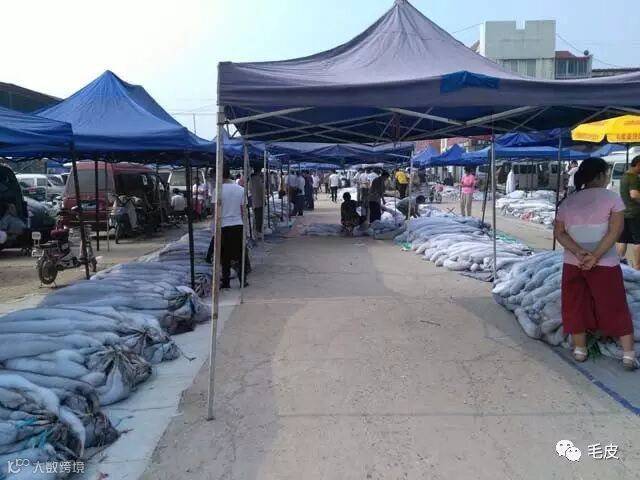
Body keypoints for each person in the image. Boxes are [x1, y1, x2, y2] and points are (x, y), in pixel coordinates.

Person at [554, 157, 636, 370]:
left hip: (574, 263)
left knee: (575, 303)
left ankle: (580, 350)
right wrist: (596, 256)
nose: (608, 177)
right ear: (600, 175)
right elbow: (615, 231)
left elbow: (559, 233)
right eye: (607, 174)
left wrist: (579, 252)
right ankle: (628, 355)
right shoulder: (612, 198)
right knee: (614, 304)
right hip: (605, 263)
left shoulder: (568, 201)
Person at [205, 164, 249, 289]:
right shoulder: (240, 189)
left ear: (219, 174)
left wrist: (214, 228)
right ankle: (243, 280)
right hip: (238, 224)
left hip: (223, 225)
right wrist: (245, 227)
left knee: (224, 256)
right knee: (240, 254)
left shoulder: (217, 191)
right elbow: (243, 211)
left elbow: (215, 212)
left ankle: (226, 282)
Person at [617, 156, 640, 269]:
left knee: (623, 239)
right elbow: (634, 194)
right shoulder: (633, 177)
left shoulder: (624, 176)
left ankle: (620, 263)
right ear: (638, 165)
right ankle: (638, 267)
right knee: (638, 241)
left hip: (624, 212)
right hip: (635, 213)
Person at [248, 166, 265, 238]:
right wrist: (264, 201)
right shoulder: (258, 179)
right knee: (259, 217)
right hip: (259, 201)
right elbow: (261, 191)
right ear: (259, 171)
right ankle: (258, 232)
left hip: (253, 200)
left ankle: (255, 231)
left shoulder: (250, 179)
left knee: (255, 217)